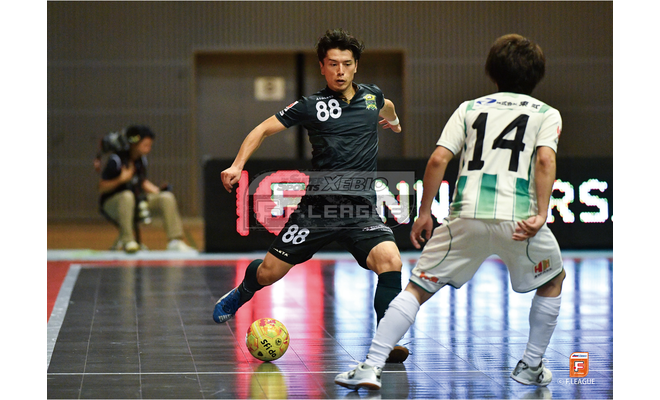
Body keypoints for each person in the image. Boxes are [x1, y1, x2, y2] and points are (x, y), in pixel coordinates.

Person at [335, 34, 566, 390]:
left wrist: (425, 212)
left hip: (465, 216)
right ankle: (531, 365)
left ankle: (371, 365)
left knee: (416, 289)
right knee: (552, 280)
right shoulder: (547, 114)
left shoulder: (469, 108)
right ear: (538, 74)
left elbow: (438, 159)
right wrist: (542, 212)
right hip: (520, 219)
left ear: (492, 72)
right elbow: (546, 160)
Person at [213, 29, 409, 362]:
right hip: (317, 210)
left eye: (347, 64)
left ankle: (386, 342)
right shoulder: (310, 105)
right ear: (322, 66)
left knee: (391, 260)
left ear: (356, 66)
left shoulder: (372, 96)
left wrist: (394, 121)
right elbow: (262, 129)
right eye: (333, 64)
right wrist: (237, 164)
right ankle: (243, 291)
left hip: (360, 210)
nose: (340, 71)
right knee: (269, 272)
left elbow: (386, 106)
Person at [98, 125, 194, 253]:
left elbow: (142, 182)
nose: (148, 149)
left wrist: (158, 191)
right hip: (113, 204)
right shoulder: (116, 160)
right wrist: (121, 179)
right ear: (134, 144)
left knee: (166, 197)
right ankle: (128, 241)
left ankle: (175, 241)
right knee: (127, 196)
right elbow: (102, 187)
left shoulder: (141, 160)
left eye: (150, 145)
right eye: (145, 145)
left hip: (135, 200)